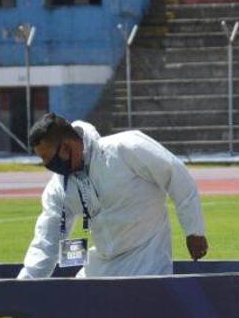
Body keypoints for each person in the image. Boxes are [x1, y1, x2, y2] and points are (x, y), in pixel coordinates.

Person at [17, 113, 207, 279]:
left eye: (47, 159)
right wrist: (21, 288)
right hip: (102, 266)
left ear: (66, 147)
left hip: (148, 264)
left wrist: (194, 230)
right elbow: (46, 242)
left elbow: (176, 175)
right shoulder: (60, 187)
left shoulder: (126, 148)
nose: (48, 166)